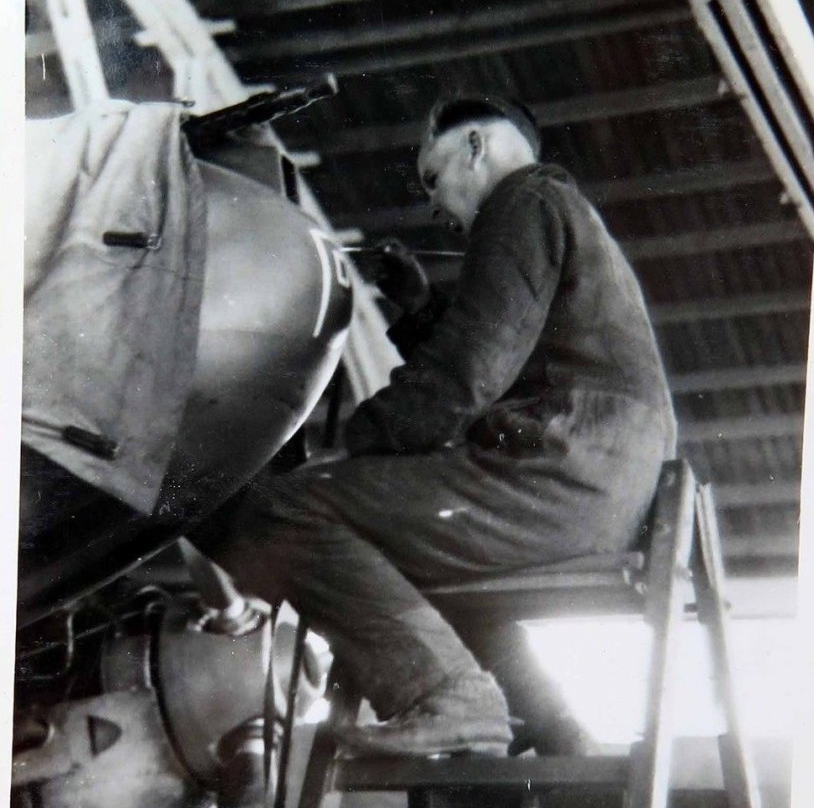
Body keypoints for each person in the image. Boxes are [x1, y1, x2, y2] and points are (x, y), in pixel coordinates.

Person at [195, 95, 677, 757]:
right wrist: (418, 308)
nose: (433, 205)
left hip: (563, 479)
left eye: (433, 177)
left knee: (277, 509)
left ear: (476, 147)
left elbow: (464, 380)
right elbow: (496, 372)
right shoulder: (561, 213)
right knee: (399, 548)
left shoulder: (522, 201)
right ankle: (550, 725)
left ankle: (447, 696)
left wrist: (352, 445)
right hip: (601, 486)